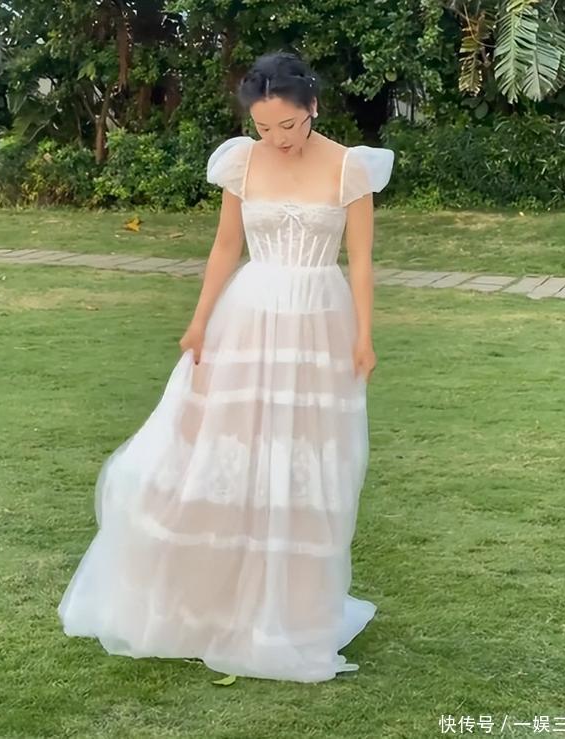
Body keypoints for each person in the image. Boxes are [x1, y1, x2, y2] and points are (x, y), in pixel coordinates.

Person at [57, 49, 395, 683]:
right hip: (248, 313)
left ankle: (290, 610)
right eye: (264, 127)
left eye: (287, 125)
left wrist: (365, 336)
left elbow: (361, 261)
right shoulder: (241, 161)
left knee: (303, 456)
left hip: (317, 319)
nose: (277, 138)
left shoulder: (351, 168)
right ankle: (206, 602)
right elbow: (224, 246)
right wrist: (198, 321)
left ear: (312, 107)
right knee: (222, 448)